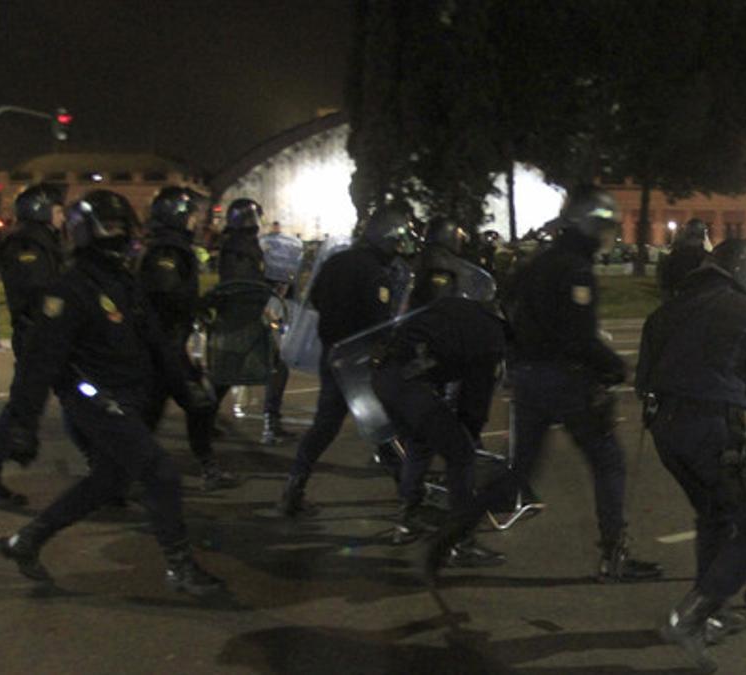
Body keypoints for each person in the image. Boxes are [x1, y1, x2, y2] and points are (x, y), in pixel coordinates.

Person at [424, 184, 661, 584]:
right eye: (604, 227)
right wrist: (618, 370)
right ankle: (613, 555)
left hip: (529, 378)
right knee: (608, 461)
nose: (608, 236)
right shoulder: (575, 269)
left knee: (519, 473)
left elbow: (508, 315)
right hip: (564, 379)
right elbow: (579, 338)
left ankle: (454, 531)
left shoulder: (537, 262)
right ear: (589, 225)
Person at [0, 190, 223, 595]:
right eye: (110, 227)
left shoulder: (123, 281)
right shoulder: (69, 290)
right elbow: (40, 363)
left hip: (128, 396)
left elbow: (156, 341)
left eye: (122, 227)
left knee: (108, 482)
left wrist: (186, 385)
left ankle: (27, 540)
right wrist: (22, 423)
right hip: (95, 399)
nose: (117, 235)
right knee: (160, 472)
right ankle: (180, 567)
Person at [636, 238, 746, 672]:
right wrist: (736, 396)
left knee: (715, 514)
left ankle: (714, 611)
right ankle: (692, 616)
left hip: (666, 433)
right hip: (715, 431)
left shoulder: (665, 311)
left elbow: (643, 381)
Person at [276, 204, 414, 517]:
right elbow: (379, 321)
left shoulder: (337, 261)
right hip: (361, 358)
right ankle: (410, 497)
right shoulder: (375, 272)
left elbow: (315, 299)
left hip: (333, 353)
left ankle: (294, 487)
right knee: (383, 425)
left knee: (325, 424)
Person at [375, 297, 507, 566]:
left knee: (419, 443)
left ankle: (408, 518)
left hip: (384, 378)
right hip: (410, 386)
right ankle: (461, 542)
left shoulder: (460, 308)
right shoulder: (491, 338)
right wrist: (467, 433)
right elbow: (474, 402)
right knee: (461, 455)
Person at [137, 187, 238, 491]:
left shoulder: (170, 246)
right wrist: (199, 305)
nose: (196, 221)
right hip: (164, 347)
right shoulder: (168, 251)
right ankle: (118, 475)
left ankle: (121, 475)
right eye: (192, 215)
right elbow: (167, 296)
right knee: (198, 403)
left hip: (167, 346)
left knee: (161, 413)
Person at [0, 185, 68, 506]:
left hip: (48, 334)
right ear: (41, 210)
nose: (63, 215)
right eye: (58, 209)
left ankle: (111, 472)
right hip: (38, 336)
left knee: (79, 401)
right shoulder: (27, 243)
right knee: (22, 408)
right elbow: (38, 291)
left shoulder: (42, 240)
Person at [215, 198, 292, 444]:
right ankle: (271, 426)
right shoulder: (239, 246)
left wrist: (270, 287)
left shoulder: (241, 244)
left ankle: (204, 419)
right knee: (271, 369)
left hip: (244, 317)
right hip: (243, 319)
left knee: (229, 374)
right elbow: (240, 283)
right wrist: (265, 293)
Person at [408, 217, 473, 309]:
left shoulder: (425, 254)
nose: (460, 240)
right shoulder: (442, 262)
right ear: (448, 235)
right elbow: (440, 298)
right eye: (458, 235)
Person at [658, 218, 710, 298]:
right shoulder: (709, 258)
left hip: (681, 302)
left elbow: (665, 288)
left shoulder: (673, 258)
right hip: (700, 303)